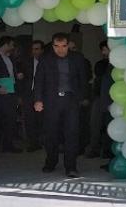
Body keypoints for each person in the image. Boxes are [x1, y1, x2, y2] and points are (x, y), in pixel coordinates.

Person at [33, 32, 88, 178]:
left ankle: (71, 167)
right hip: (51, 101)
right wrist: (38, 100)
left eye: (63, 46)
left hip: (71, 101)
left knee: (72, 134)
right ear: (52, 46)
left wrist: (82, 97)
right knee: (51, 134)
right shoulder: (45, 59)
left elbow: (83, 79)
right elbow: (38, 80)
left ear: (68, 45)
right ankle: (51, 162)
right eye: (57, 46)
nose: (60, 49)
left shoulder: (77, 58)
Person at [17, 40, 44, 152]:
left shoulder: (47, 62)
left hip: (43, 95)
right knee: (29, 119)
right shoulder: (26, 62)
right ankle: (33, 143)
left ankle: (43, 140)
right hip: (29, 94)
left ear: (42, 50)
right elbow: (20, 80)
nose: (34, 51)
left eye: (37, 49)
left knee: (42, 119)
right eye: (33, 49)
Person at [87, 41, 111, 158]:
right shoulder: (100, 64)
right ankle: (94, 149)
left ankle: (107, 150)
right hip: (99, 97)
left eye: (105, 49)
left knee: (109, 125)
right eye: (102, 50)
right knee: (95, 125)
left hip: (113, 99)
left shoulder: (117, 65)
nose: (103, 52)